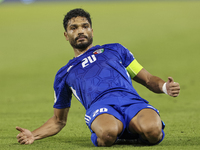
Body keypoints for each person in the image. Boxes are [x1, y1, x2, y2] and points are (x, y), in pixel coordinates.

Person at [16, 8, 180, 147]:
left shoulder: (116, 50)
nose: (80, 31)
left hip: (131, 101)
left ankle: (129, 131)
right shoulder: (64, 74)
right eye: (74, 28)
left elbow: (148, 79)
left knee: (153, 131)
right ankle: (120, 132)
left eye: (85, 26)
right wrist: (33, 135)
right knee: (107, 134)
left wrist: (165, 87)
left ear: (92, 31)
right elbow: (59, 120)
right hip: (101, 107)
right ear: (66, 35)